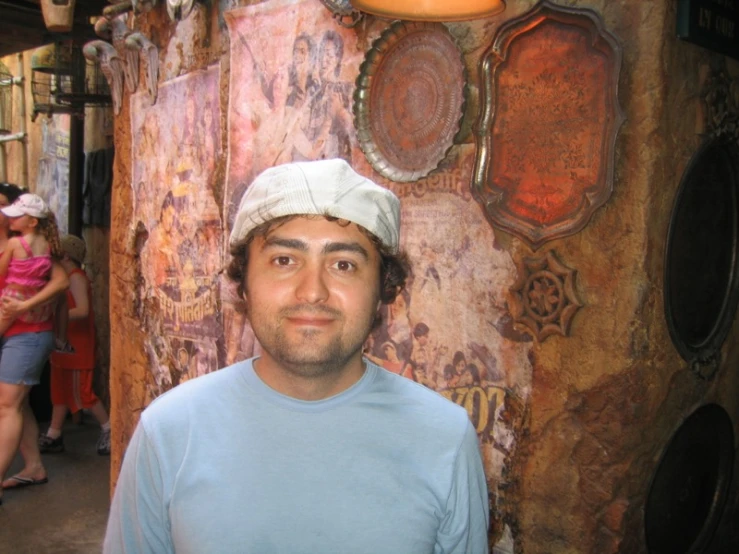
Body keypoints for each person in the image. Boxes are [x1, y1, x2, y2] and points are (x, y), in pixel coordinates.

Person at [104, 159, 489, 552]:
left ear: (381, 292)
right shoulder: (168, 433)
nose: (312, 291)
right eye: (284, 260)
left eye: (344, 264)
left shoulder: (444, 439)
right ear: (244, 284)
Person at [0, 184, 69, 505]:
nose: (6, 214)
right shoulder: (39, 246)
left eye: (12, 211)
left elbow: (61, 282)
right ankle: (34, 466)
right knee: (19, 403)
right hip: (22, 333)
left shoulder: (18, 245)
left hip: (24, 334)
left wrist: (23, 307)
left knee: (7, 406)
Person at [38, 235, 111, 456]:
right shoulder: (64, 277)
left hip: (77, 345)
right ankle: (54, 434)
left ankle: (109, 429)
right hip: (64, 345)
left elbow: (83, 309)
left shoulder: (76, 277)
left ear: (66, 255)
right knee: (59, 392)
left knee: (83, 392)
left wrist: (56, 316)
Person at [0, 194, 62, 336]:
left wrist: (24, 305)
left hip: (17, 307)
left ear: (32, 222)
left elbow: (61, 281)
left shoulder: (15, 243)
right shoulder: (46, 243)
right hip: (33, 302)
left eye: (2, 205)